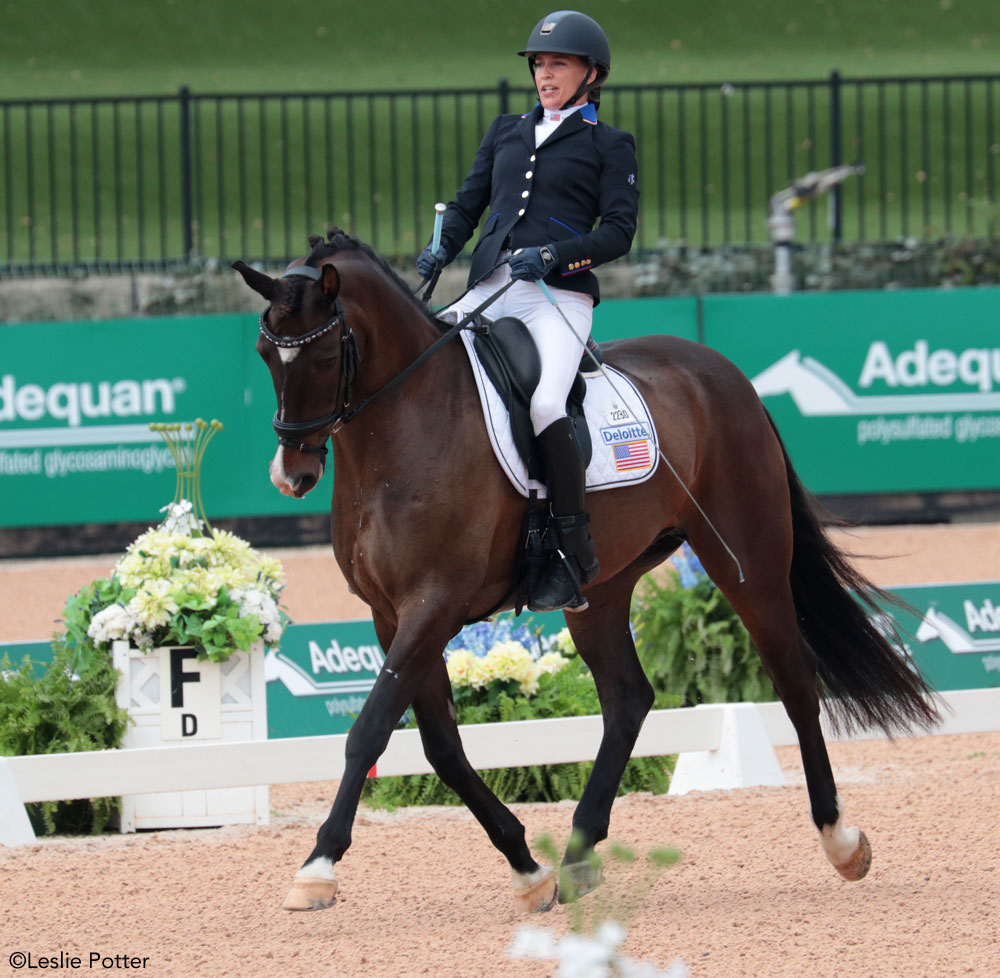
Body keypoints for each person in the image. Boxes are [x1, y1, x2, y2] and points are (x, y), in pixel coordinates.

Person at [417, 10, 638, 612]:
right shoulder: (506, 131)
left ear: (591, 74)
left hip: (556, 297)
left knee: (545, 402)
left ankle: (573, 549)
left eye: (558, 63)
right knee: (419, 368)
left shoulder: (609, 144)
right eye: (540, 64)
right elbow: (467, 206)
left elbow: (619, 232)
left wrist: (555, 255)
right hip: (489, 286)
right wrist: (442, 247)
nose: (545, 74)